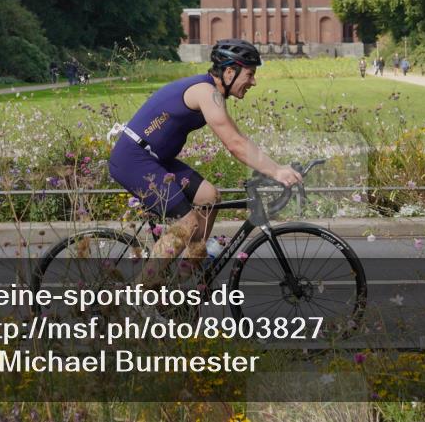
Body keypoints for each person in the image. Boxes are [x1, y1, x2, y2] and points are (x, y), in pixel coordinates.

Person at [108, 39, 303, 271]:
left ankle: (187, 278)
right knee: (188, 224)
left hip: (156, 159)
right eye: (249, 74)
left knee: (209, 198)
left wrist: (274, 167)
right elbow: (235, 143)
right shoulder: (205, 92)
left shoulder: (212, 93)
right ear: (230, 72)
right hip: (134, 159)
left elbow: (239, 138)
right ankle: (141, 299)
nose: (253, 81)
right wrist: (277, 171)